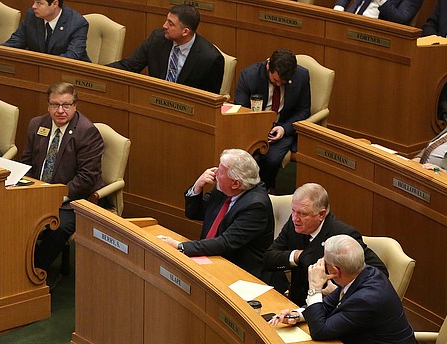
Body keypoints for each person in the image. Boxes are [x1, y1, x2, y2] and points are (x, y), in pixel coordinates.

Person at [270, 235, 422, 344]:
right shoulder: (363, 274)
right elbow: (329, 305)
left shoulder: (367, 298)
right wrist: (297, 315)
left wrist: (315, 286)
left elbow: (320, 331)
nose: (320, 265)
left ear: (335, 271)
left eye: (324, 262)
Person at [21, 82, 104, 283]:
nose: (60, 111)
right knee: (11, 216)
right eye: (55, 105)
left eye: (66, 105)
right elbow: (26, 162)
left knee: (55, 229)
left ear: (75, 105)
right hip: (37, 193)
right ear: (48, 106)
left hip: (71, 201)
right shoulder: (37, 125)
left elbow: (86, 179)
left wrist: (56, 196)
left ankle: (33, 274)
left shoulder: (87, 132)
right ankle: (15, 268)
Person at [263, 183, 387, 305]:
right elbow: (269, 258)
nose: (295, 218)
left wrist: (341, 292)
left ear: (321, 214)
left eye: (303, 214)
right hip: (295, 304)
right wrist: (297, 256)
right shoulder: (294, 223)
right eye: (293, 211)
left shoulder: (343, 234)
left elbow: (379, 272)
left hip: (328, 309)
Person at [158, 149, 274, 279]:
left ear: (236, 183)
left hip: (240, 272)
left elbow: (225, 243)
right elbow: (195, 213)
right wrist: (197, 187)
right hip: (214, 258)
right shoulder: (225, 189)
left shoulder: (256, 206)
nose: (214, 172)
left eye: (221, 171)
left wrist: (179, 246)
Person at [233, 49, 310, 191]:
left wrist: (284, 128)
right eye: (275, 81)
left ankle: (264, 190)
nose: (279, 85)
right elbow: (240, 109)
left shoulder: (302, 76)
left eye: (284, 82)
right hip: (251, 125)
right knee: (238, 156)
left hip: (282, 125)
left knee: (271, 159)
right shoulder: (249, 76)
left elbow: (304, 110)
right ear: (268, 66)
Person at [106, 4, 224, 94]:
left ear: (185, 31)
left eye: (170, 24)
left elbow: (210, 101)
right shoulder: (157, 39)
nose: (164, 26)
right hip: (153, 102)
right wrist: (98, 72)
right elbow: (129, 66)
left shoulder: (210, 58)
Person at [1, 0, 90, 61]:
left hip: (71, 76)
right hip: (39, 72)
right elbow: (15, 41)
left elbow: (72, 57)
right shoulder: (31, 15)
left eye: (39, 3)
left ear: (55, 3)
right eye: (34, 1)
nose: (34, 6)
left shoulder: (77, 23)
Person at [333, 0, 422, 25]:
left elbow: (401, 19)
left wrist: (381, 1)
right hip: (349, 21)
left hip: (377, 35)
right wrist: (338, 9)